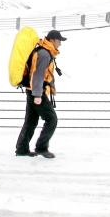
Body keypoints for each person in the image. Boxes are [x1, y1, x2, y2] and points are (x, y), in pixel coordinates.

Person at [15, 29, 66, 159]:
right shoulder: (44, 54)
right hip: (37, 92)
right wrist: (37, 95)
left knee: (31, 121)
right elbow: (37, 75)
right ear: (53, 40)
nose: (60, 43)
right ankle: (41, 147)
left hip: (32, 90)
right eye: (59, 41)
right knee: (52, 119)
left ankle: (21, 149)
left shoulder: (43, 51)